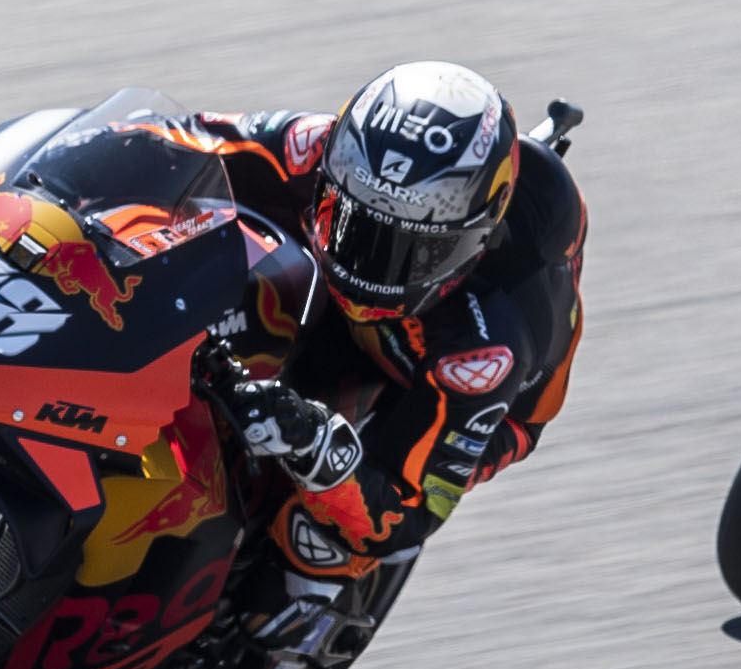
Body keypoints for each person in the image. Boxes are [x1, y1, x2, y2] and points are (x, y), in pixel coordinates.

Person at [186, 62, 587, 581]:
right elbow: (176, 139)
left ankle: (289, 619)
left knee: (318, 538)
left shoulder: (487, 348)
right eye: (351, 222)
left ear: (479, 237)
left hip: (448, 391)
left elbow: (403, 514)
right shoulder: (324, 147)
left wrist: (317, 448)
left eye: (413, 252)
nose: (366, 267)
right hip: (344, 308)